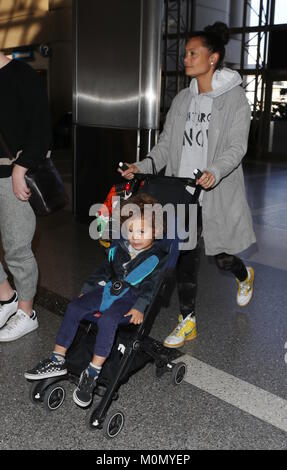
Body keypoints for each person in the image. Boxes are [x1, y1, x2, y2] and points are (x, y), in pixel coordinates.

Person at [118, 22, 256, 349]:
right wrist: (143, 166)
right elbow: (166, 145)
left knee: (221, 256)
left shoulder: (234, 99)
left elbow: (237, 147)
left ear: (213, 58)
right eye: (185, 54)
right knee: (185, 257)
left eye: (194, 53)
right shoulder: (183, 99)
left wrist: (214, 170)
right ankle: (187, 321)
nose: (186, 58)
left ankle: (244, 274)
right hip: (184, 192)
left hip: (216, 190)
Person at [25, 193, 169, 408]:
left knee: (107, 321)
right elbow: (104, 270)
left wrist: (140, 308)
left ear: (156, 232)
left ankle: (93, 372)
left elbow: (151, 287)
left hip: (131, 297)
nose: (134, 236)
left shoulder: (155, 258)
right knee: (74, 308)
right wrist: (88, 289)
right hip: (110, 289)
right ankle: (57, 359)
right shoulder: (119, 248)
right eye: (130, 230)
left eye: (141, 231)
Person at [0, 52, 51, 342]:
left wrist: (22, 168)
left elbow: (41, 130)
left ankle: (26, 312)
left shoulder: (22, 74)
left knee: (17, 247)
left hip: (13, 174)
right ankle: (7, 298)